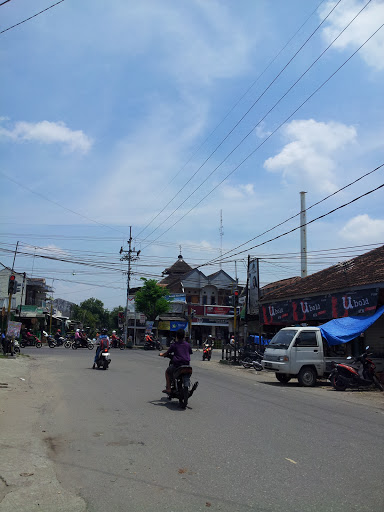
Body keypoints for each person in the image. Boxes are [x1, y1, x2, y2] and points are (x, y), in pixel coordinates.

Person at [159, 329, 192, 394]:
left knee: (167, 372)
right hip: (187, 365)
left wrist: (161, 354)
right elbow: (190, 352)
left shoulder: (174, 345)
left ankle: (168, 389)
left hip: (177, 366)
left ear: (176, 336)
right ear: (184, 336)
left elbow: (167, 353)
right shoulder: (187, 345)